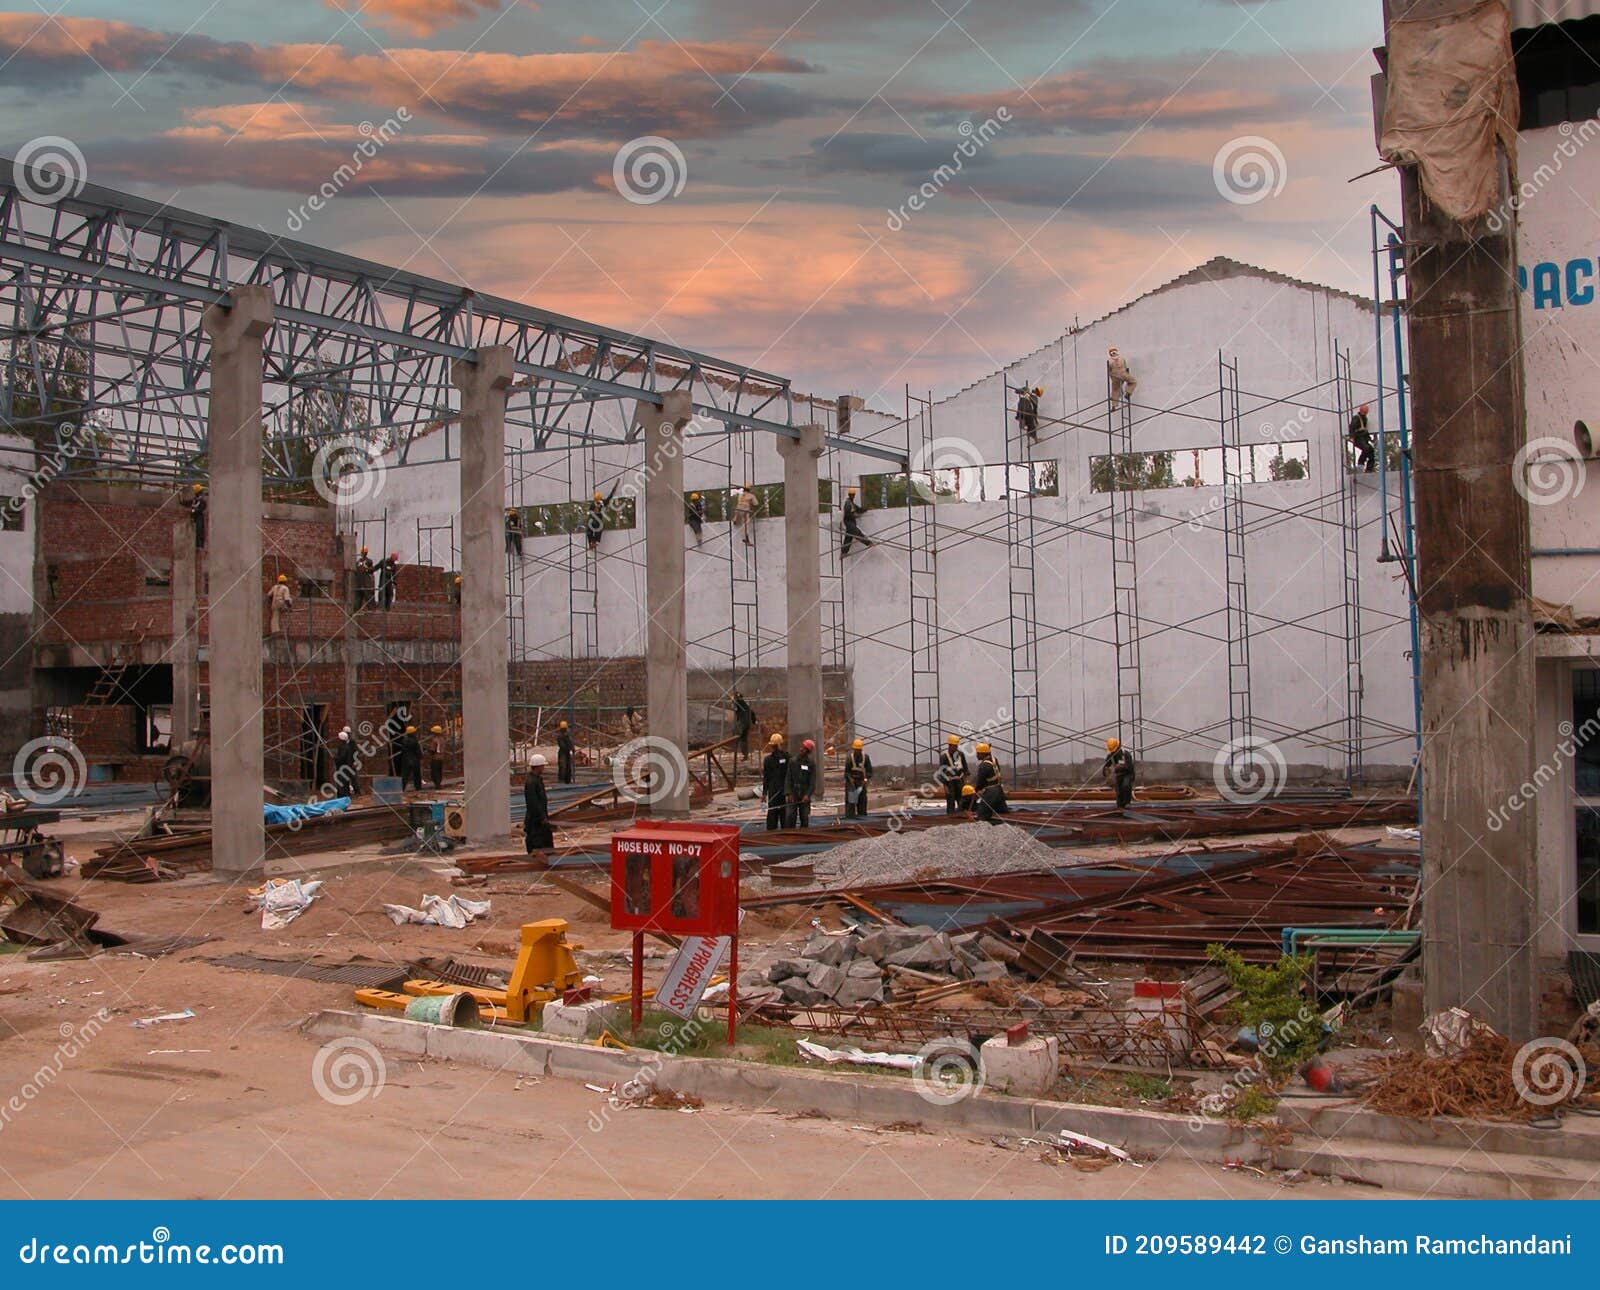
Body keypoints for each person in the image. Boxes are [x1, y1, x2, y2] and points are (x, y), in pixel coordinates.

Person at [523, 754, 554, 853]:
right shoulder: (532, 782)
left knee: (545, 841)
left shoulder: (537, 779)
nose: (544, 768)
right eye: (543, 766)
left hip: (539, 817)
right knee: (537, 842)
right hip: (535, 820)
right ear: (538, 766)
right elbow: (533, 802)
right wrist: (542, 817)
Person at [972, 741, 1008, 822]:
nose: (977, 755)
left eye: (978, 753)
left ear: (983, 754)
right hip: (999, 790)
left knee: (982, 812)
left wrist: (976, 790)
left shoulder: (984, 765)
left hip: (991, 793)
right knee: (1002, 811)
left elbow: (980, 782)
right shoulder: (994, 760)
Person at [761, 733, 789, 830]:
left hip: (784, 791)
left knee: (784, 814)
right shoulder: (768, 760)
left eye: (775, 746)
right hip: (774, 791)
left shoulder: (787, 757)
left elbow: (790, 775)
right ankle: (772, 832)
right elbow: (766, 777)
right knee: (772, 814)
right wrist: (764, 793)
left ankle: (785, 833)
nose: (774, 748)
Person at [787, 737, 817, 827]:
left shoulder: (811, 763)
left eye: (804, 748)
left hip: (804, 793)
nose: (801, 749)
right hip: (794, 793)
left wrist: (807, 795)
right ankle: (790, 836)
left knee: (804, 817)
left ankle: (803, 837)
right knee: (790, 816)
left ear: (808, 751)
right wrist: (789, 793)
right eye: (802, 747)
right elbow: (788, 778)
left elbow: (812, 782)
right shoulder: (793, 761)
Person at [937, 734, 969, 815]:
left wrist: (965, 780)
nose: (956, 747)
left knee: (962, 801)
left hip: (960, 781)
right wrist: (945, 786)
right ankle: (950, 817)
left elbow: (965, 768)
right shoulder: (944, 757)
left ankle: (962, 816)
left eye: (956, 746)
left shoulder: (961, 755)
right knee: (951, 801)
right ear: (950, 745)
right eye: (954, 746)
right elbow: (942, 773)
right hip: (950, 783)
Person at [1103, 736, 1136, 810]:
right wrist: (1106, 771)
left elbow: (1129, 768)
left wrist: (1121, 767)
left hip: (1128, 774)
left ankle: (1127, 803)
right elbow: (1106, 766)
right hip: (1119, 775)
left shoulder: (1125, 754)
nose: (1113, 752)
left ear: (1118, 747)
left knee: (1125, 785)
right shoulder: (1111, 756)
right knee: (1118, 790)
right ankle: (1120, 806)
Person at [842, 737, 872, 817]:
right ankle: (850, 817)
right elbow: (846, 772)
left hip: (861, 782)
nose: (857, 752)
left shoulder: (865, 758)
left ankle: (862, 817)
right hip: (851, 782)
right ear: (853, 749)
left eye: (858, 750)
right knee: (851, 801)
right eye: (856, 750)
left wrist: (865, 780)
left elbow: (869, 771)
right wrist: (850, 780)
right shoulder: (849, 758)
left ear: (861, 750)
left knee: (862, 801)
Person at [841, 487, 873, 557]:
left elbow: (859, 509)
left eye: (853, 494)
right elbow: (847, 514)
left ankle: (843, 553)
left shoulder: (852, 503)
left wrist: (866, 509)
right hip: (849, 521)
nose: (852, 496)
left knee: (848, 538)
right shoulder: (848, 503)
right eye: (851, 494)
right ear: (849, 495)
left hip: (851, 521)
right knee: (857, 533)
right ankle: (868, 543)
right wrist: (854, 516)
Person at [585, 484, 618, 551]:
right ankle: (593, 542)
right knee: (592, 530)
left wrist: (614, 489)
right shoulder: (594, 504)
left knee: (596, 530)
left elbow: (609, 497)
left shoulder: (601, 503)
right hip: (595, 520)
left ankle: (594, 542)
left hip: (596, 520)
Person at [331, 726, 360, 798]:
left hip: (350, 763)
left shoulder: (351, 742)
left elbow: (355, 752)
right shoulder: (343, 745)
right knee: (345, 779)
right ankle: (346, 793)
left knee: (353, 778)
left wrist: (355, 761)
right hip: (346, 763)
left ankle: (356, 791)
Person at [1347, 403, 1375, 472]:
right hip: (1358, 438)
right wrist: (1352, 437)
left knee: (1371, 450)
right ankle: (1360, 463)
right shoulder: (1356, 418)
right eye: (1366, 410)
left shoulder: (1364, 418)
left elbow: (1365, 430)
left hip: (1363, 438)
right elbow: (1352, 427)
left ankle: (1369, 468)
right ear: (1363, 410)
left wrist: (1370, 439)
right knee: (1366, 448)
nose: (1367, 412)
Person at [397, 725, 423, 792]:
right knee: (417, 775)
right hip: (414, 760)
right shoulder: (415, 741)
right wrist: (421, 757)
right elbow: (417, 751)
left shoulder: (404, 740)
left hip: (406, 760)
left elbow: (403, 750)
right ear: (412, 733)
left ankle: (401, 788)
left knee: (404, 776)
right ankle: (418, 788)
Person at [731, 690, 755, 757]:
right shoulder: (744, 704)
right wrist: (753, 721)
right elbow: (752, 712)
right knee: (743, 738)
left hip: (743, 723)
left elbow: (735, 708)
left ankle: (742, 752)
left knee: (740, 737)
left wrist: (733, 701)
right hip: (747, 723)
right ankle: (745, 754)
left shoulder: (738, 703)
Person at [185, 483, 207, 550]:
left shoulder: (202, 501)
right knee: (194, 531)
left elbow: (201, 508)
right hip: (194, 517)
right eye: (202, 491)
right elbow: (186, 503)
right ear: (199, 493)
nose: (203, 493)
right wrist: (180, 497)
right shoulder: (194, 500)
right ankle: (196, 545)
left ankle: (199, 546)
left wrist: (194, 509)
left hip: (199, 517)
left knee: (199, 531)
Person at [427, 725, 447, 790]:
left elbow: (432, 750)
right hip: (441, 758)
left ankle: (437, 785)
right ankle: (438, 784)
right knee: (439, 772)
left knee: (434, 773)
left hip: (435, 758)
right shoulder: (443, 739)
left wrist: (428, 751)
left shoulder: (434, 740)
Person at [555, 719, 575, 784]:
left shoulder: (567, 736)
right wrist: (570, 749)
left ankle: (567, 780)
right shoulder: (560, 736)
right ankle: (561, 780)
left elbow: (570, 743)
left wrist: (572, 748)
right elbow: (562, 746)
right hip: (563, 753)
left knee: (568, 767)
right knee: (563, 766)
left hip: (566, 753)